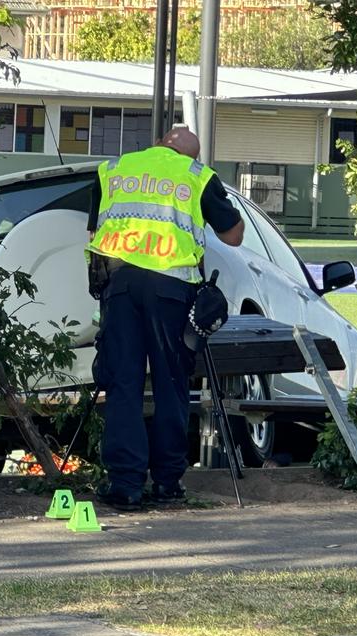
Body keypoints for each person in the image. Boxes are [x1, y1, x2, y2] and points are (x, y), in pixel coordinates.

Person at [86, 126, 244, 511]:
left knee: (123, 383)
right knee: (171, 383)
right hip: (171, 291)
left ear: (158, 144)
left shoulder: (115, 169)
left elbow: (93, 231)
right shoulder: (196, 177)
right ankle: (167, 484)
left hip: (119, 284)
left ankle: (125, 486)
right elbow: (234, 235)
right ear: (192, 156)